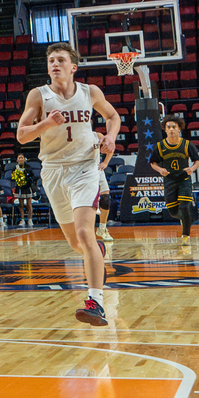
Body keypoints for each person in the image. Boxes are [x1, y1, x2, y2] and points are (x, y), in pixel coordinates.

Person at [16, 41, 120, 327]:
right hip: (53, 171)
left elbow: (113, 116)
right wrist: (45, 125)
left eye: (61, 60)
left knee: (86, 233)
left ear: (73, 67)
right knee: (77, 243)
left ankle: (95, 302)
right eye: (51, 61)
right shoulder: (38, 96)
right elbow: (22, 135)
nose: (55, 64)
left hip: (85, 168)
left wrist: (110, 136)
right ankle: (97, 256)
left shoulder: (90, 92)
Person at [148, 115, 199, 249]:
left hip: (184, 179)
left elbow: (198, 161)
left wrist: (191, 169)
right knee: (172, 211)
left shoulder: (187, 144)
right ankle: (186, 219)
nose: (171, 130)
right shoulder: (160, 146)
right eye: (168, 127)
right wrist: (160, 170)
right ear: (165, 130)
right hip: (169, 180)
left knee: (184, 206)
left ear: (179, 129)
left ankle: (186, 236)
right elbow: (153, 163)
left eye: (174, 127)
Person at [9, 153, 37, 227]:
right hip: (19, 188)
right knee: (21, 204)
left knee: (29, 204)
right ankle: (22, 219)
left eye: (21, 158)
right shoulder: (15, 168)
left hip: (27, 187)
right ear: (17, 160)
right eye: (19, 158)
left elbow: (33, 177)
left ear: (24, 159)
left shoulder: (28, 167)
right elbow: (13, 177)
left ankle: (30, 219)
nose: (20, 159)